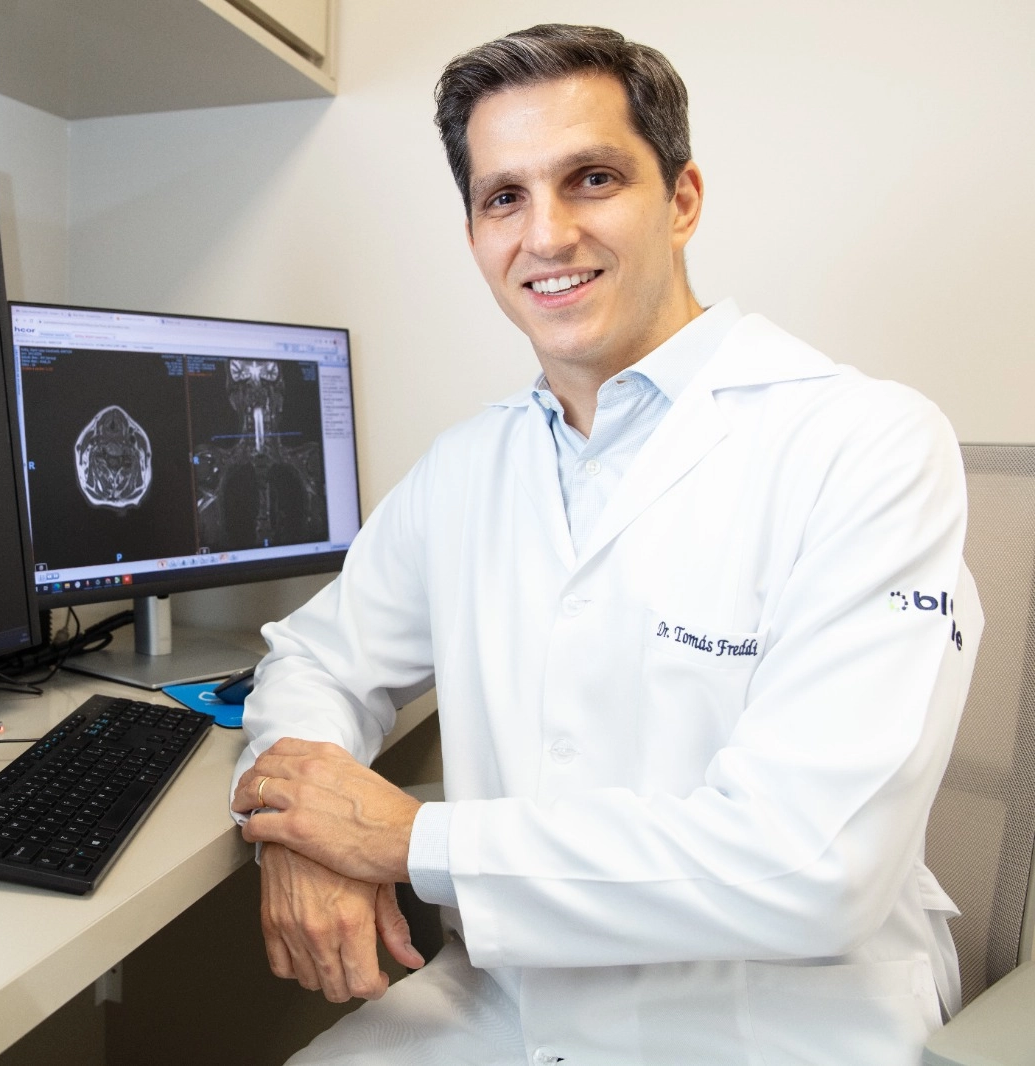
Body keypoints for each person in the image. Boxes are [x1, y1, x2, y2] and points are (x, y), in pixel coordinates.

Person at [229, 23, 981, 1065]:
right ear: (474, 234)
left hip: (775, 1024)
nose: (545, 235)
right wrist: (298, 827)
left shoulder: (864, 444)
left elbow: (812, 866)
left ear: (681, 199)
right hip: (507, 1005)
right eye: (504, 197)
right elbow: (314, 660)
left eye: (591, 179)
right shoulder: (469, 465)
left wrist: (398, 839)